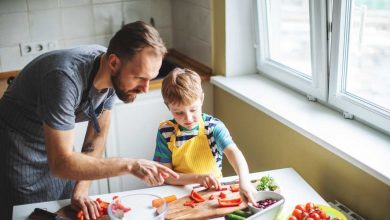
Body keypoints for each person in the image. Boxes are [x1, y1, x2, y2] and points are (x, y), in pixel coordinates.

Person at [0, 21, 179, 220]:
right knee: (29, 215)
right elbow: (61, 163)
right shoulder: (63, 78)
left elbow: (96, 138)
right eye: (139, 78)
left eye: (150, 78)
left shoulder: (114, 75)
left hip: (56, 147)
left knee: (65, 208)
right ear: (113, 63)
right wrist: (130, 165)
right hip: (19, 150)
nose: (145, 88)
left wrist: (81, 189)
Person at [153, 68, 256, 204]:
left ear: (201, 99)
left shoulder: (213, 128)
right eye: (179, 113)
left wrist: (244, 180)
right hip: (179, 193)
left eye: (193, 109)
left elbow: (234, 153)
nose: (188, 118)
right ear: (168, 107)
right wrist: (197, 178)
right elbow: (166, 176)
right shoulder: (165, 132)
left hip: (213, 191)